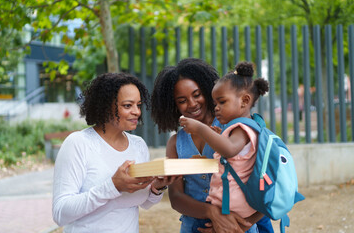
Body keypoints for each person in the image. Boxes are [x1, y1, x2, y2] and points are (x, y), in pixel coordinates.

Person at [151, 58, 270, 233]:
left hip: (236, 226)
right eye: (182, 100)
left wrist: (235, 222)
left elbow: (263, 182)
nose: (192, 104)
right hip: (193, 227)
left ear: (207, 91)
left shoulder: (236, 130)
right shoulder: (176, 143)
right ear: (173, 105)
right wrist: (212, 213)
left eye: (196, 94)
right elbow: (176, 198)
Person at [52, 72, 178, 233]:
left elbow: (143, 203)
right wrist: (113, 186)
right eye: (128, 105)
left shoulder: (138, 146)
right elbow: (60, 213)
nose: (137, 112)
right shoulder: (78, 143)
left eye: (138, 105)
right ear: (105, 106)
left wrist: (157, 187)